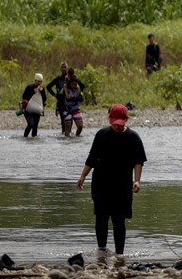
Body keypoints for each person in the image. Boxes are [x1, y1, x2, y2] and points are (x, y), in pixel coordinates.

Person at [77, 104, 147, 261]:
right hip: (101, 183)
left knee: (119, 219)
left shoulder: (133, 138)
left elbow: (138, 162)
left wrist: (137, 181)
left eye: (119, 123)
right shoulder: (102, 135)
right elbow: (92, 158)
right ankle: (101, 251)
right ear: (110, 120)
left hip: (122, 186)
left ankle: (119, 255)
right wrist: (82, 176)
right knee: (101, 217)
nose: (116, 125)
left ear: (125, 120)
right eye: (114, 122)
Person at [21, 73, 47, 138]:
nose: (38, 83)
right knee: (30, 124)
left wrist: (42, 92)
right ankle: (25, 137)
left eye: (40, 82)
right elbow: (24, 97)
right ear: (34, 80)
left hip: (37, 110)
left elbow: (44, 99)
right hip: (28, 109)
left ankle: (34, 139)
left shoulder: (42, 89)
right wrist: (34, 92)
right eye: (37, 81)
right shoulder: (29, 87)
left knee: (35, 126)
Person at [62, 72, 84, 137]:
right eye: (72, 84)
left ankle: (77, 137)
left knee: (80, 126)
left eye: (75, 84)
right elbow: (59, 98)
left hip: (75, 108)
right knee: (68, 126)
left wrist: (74, 97)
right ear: (69, 83)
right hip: (66, 109)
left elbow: (81, 99)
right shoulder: (64, 89)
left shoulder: (78, 89)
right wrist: (58, 108)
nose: (74, 86)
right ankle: (67, 139)